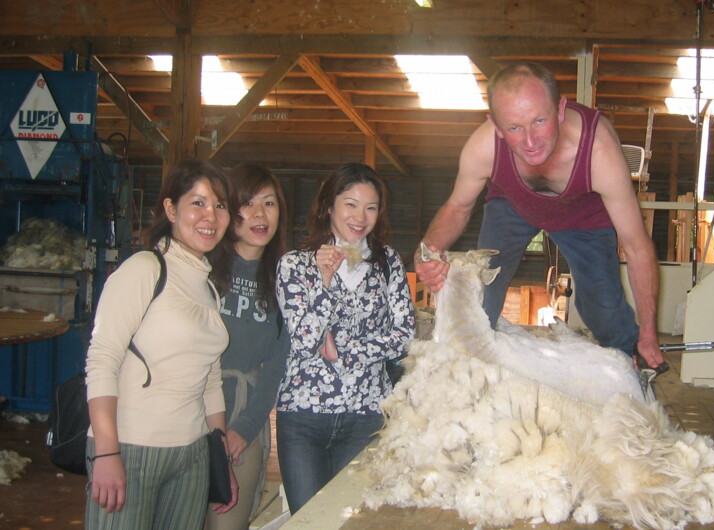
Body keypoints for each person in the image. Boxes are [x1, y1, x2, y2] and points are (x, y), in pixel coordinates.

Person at [414, 61, 666, 372]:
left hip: (583, 211)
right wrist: (426, 251)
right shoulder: (484, 147)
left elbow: (637, 244)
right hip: (512, 204)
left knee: (603, 310)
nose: (530, 141)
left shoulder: (599, 152)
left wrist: (649, 333)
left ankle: (635, 368)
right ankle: (470, 381)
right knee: (481, 296)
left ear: (560, 111)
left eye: (539, 121)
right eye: (514, 128)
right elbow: (458, 207)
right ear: (495, 125)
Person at [84, 158, 238, 528]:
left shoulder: (207, 287)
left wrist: (221, 464)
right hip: (132, 448)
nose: (211, 216)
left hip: (192, 454)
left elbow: (210, 380)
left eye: (220, 206)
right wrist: (106, 453)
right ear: (170, 208)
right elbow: (102, 358)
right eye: (197, 202)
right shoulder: (144, 269)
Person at [275, 162, 416, 514]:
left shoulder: (388, 264)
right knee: (308, 519)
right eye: (350, 204)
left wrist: (348, 351)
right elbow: (305, 339)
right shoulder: (295, 265)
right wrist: (323, 280)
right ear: (328, 206)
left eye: (371, 207)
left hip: (366, 415)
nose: (360, 216)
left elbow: (405, 336)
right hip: (304, 416)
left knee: (349, 519)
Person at [205, 165, 290, 529]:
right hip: (186, 420)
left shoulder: (286, 282)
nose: (259, 214)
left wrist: (244, 428)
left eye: (268, 203)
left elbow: (276, 367)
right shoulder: (203, 269)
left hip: (244, 420)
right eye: (248, 203)